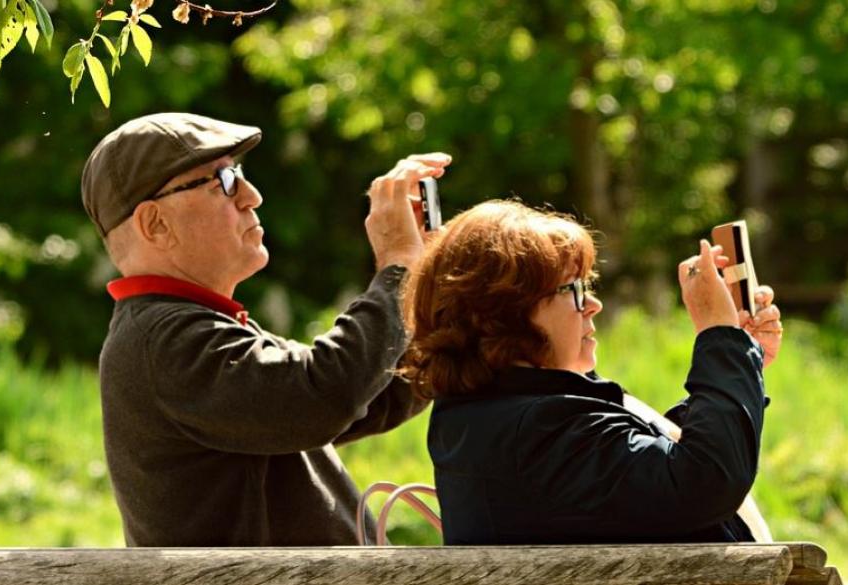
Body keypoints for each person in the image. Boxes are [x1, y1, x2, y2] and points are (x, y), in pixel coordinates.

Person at [80, 112, 449, 546]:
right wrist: (398, 265)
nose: (251, 196)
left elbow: (376, 396)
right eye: (224, 181)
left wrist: (430, 290)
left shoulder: (182, 326)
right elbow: (326, 393)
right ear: (155, 224)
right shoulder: (165, 340)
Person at [400, 200, 783, 544]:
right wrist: (719, 337)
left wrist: (740, 361)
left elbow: (643, 470)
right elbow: (703, 480)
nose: (594, 305)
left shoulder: (495, 421)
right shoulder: (538, 432)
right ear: (504, 312)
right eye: (574, 290)